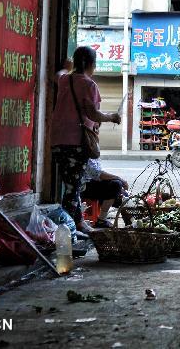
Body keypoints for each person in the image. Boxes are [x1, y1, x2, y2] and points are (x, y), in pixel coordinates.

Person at [50, 46, 121, 232]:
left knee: (72, 184)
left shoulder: (65, 79)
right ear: (92, 64)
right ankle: (69, 229)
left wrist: (67, 66)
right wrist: (112, 117)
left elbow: (58, 74)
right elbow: (93, 113)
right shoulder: (89, 85)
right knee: (73, 188)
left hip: (57, 140)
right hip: (76, 143)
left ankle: (78, 223)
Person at [82, 158, 130, 228]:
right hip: (84, 187)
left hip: (90, 185)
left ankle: (128, 220)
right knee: (116, 184)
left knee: (120, 192)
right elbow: (98, 174)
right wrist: (120, 179)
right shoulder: (87, 158)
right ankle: (101, 220)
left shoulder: (93, 158)